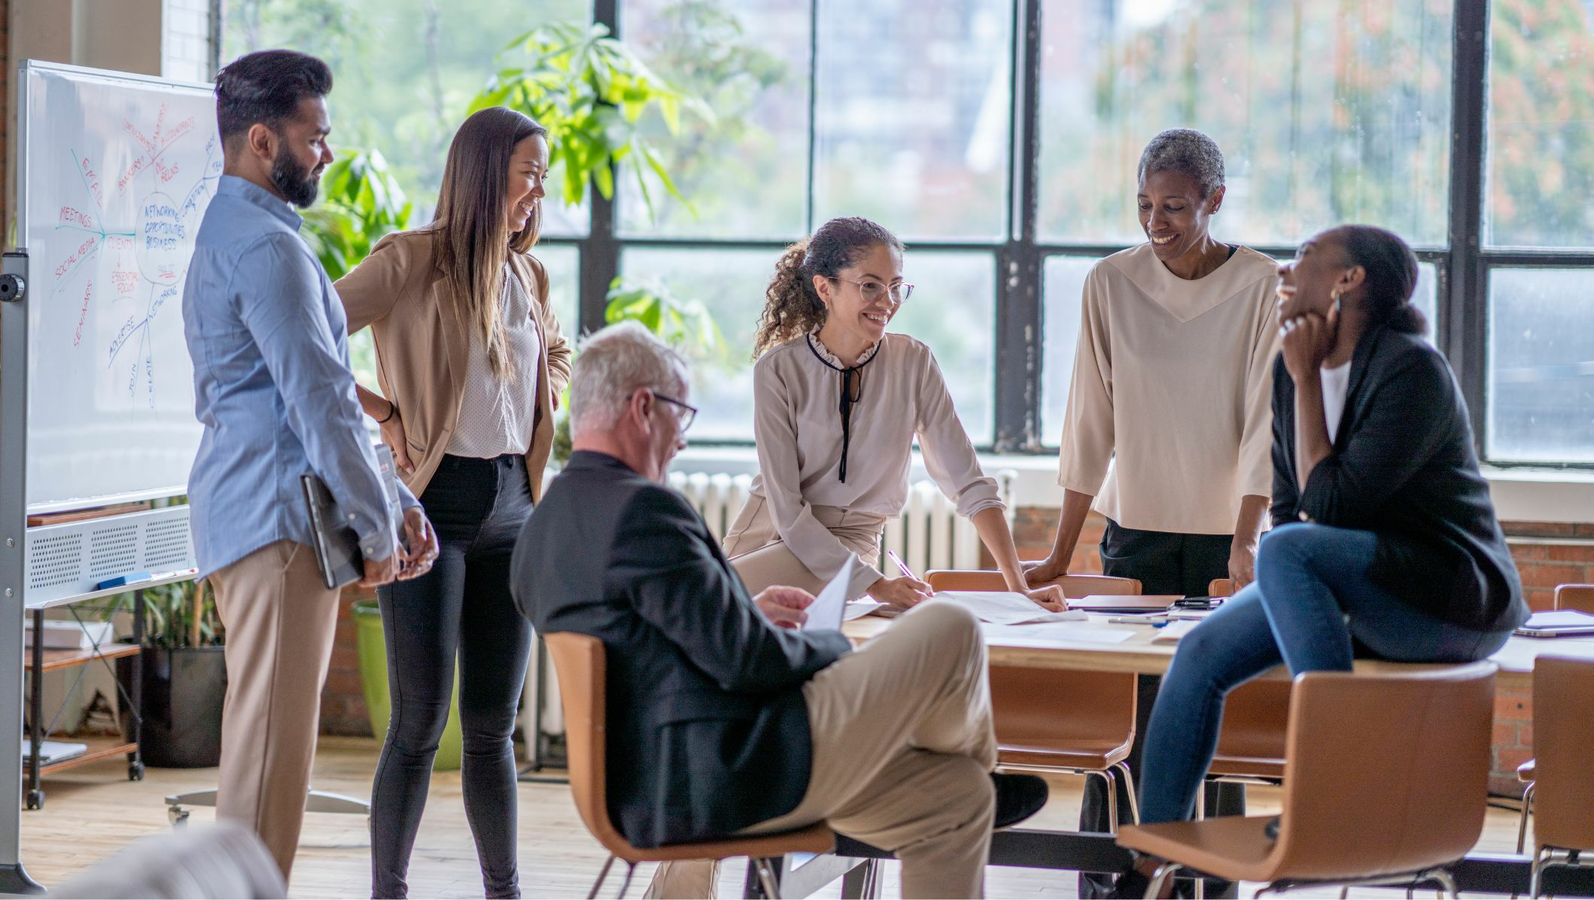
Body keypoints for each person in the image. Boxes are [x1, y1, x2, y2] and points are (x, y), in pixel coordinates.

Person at [511, 323, 1050, 900]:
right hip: (735, 774)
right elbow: (751, 665)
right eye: (681, 416)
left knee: (956, 797)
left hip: (644, 786)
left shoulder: (543, 525)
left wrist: (742, 610)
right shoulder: (647, 512)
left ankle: (975, 779)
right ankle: (968, 758)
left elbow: (652, 643)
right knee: (951, 626)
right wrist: (835, 642)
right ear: (644, 408)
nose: (682, 440)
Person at [1113, 225, 1530, 898]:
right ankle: (1151, 866)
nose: (1286, 266)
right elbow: (1290, 500)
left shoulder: (1410, 368)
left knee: (1285, 546)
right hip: (1355, 589)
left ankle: (1331, 803)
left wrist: (1308, 378)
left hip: (1449, 602)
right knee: (1200, 653)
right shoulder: (1286, 367)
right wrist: (1298, 375)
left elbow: (1329, 512)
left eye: (1306, 255)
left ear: (1348, 280)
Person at [182, 50, 438, 882]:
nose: (325, 152)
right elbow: (322, 403)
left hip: (264, 516)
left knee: (270, 757)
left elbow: (320, 396)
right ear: (262, 141)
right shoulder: (266, 250)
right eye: (313, 136)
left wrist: (394, 496)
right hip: (279, 527)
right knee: (265, 766)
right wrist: (378, 525)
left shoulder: (247, 236)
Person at [1024, 129, 1280, 893]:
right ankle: (1115, 885)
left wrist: (1246, 540)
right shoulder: (1110, 283)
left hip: (1223, 544)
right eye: (1144, 205)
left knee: (1213, 727)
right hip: (1134, 535)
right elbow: (1088, 424)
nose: (1155, 221)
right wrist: (1063, 551)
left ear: (1215, 202)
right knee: (1135, 726)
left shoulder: (1263, 284)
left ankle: (1210, 881)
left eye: (1173, 206)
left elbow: (1267, 420)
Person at [330, 106, 570, 899]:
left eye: (543, 175)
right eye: (529, 171)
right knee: (418, 727)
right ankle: (387, 892)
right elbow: (312, 327)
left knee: (493, 730)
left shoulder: (528, 273)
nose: (540, 189)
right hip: (433, 510)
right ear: (484, 171)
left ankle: (505, 891)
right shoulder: (411, 260)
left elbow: (554, 355)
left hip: (515, 509)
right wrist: (388, 416)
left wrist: (544, 402)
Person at [727, 216, 1065, 613]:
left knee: (704, 612)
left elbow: (969, 484)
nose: (887, 302)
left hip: (848, 548)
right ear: (824, 288)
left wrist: (1017, 585)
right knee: (695, 616)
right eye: (869, 285)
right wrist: (878, 586)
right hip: (768, 533)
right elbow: (787, 512)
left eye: (895, 287)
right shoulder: (777, 370)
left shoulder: (914, 362)